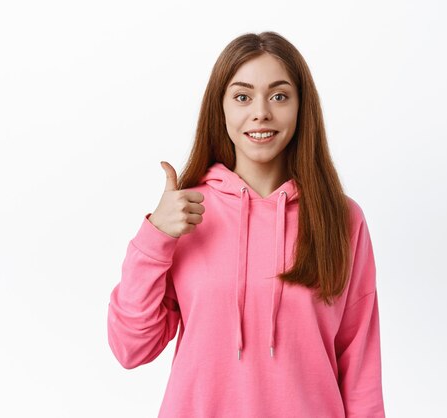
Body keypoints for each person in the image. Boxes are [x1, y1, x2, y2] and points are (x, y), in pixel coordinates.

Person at [107, 31, 386, 417]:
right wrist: (155, 237)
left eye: (279, 95)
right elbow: (131, 348)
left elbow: (361, 368)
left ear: (302, 107)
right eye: (242, 96)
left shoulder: (340, 218)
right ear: (220, 108)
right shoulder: (187, 214)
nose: (261, 112)